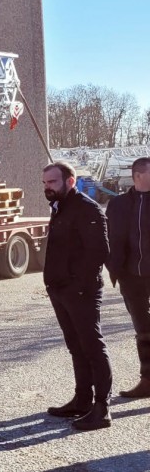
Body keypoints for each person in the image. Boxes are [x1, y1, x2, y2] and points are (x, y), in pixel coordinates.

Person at [42, 161, 113, 430]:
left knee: (92, 346)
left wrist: (79, 285)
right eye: (45, 183)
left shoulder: (87, 208)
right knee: (75, 345)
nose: (47, 188)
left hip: (80, 290)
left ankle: (102, 408)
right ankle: (82, 399)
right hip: (59, 288)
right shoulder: (60, 206)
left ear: (70, 181)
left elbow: (99, 251)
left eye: (53, 182)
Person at [105, 157, 150, 399]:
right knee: (143, 329)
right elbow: (109, 236)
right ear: (139, 175)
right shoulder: (118, 204)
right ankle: (148, 380)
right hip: (131, 275)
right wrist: (113, 266)